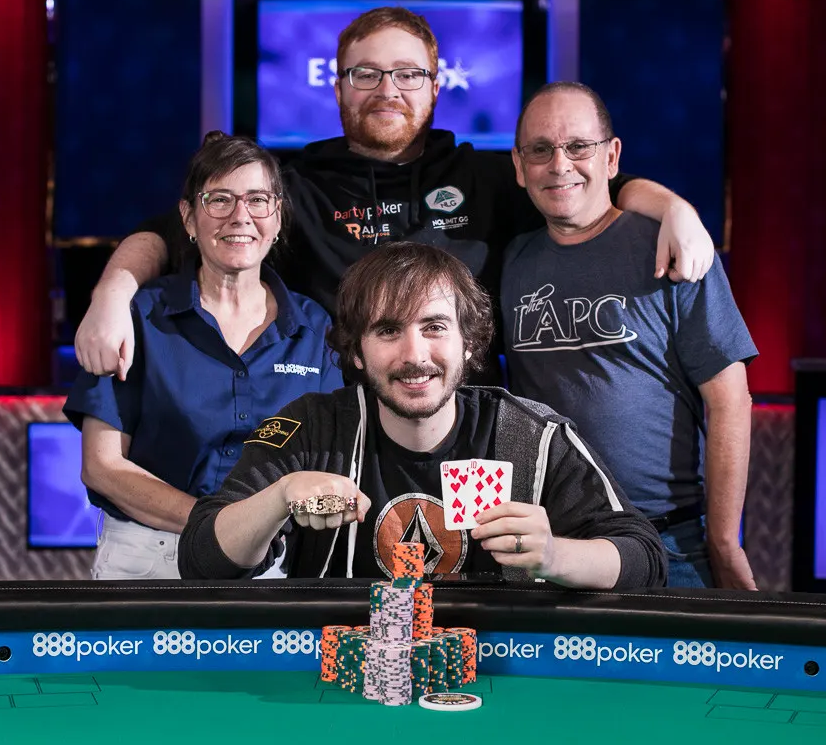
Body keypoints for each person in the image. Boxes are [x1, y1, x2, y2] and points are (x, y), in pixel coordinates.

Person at [74, 7, 716, 384]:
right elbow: (165, 234)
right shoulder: (289, 187)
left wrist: (674, 209)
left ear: (436, 86)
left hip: (468, 442)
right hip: (332, 441)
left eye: (408, 74)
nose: (388, 90)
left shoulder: (491, 176)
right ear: (338, 87)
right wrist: (110, 296)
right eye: (367, 74)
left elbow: (595, 186)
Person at [178, 242, 667, 590]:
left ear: (468, 342)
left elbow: (645, 560)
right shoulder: (314, 428)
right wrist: (278, 498)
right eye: (388, 331)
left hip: (499, 669)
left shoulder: (531, 434)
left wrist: (556, 555)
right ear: (356, 352)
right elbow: (200, 561)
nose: (415, 356)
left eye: (434, 327)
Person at [501, 82, 759, 590]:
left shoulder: (673, 247)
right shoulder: (511, 261)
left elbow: (731, 401)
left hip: (670, 544)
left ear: (612, 156)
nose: (559, 164)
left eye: (579, 146)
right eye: (540, 149)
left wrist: (725, 543)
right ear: (519, 165)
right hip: (552, 547)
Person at [63, 133, 343, 579]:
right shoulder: (140, 317)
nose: (240, 216)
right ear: (188, 218)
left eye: (257, 200)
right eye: (219, 199)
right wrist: (219, 528)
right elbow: (102, 466)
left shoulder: (315, 329)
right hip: (149, 557)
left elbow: (330, 462)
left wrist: (248, 531)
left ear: (277, 217)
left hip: (271, 562)